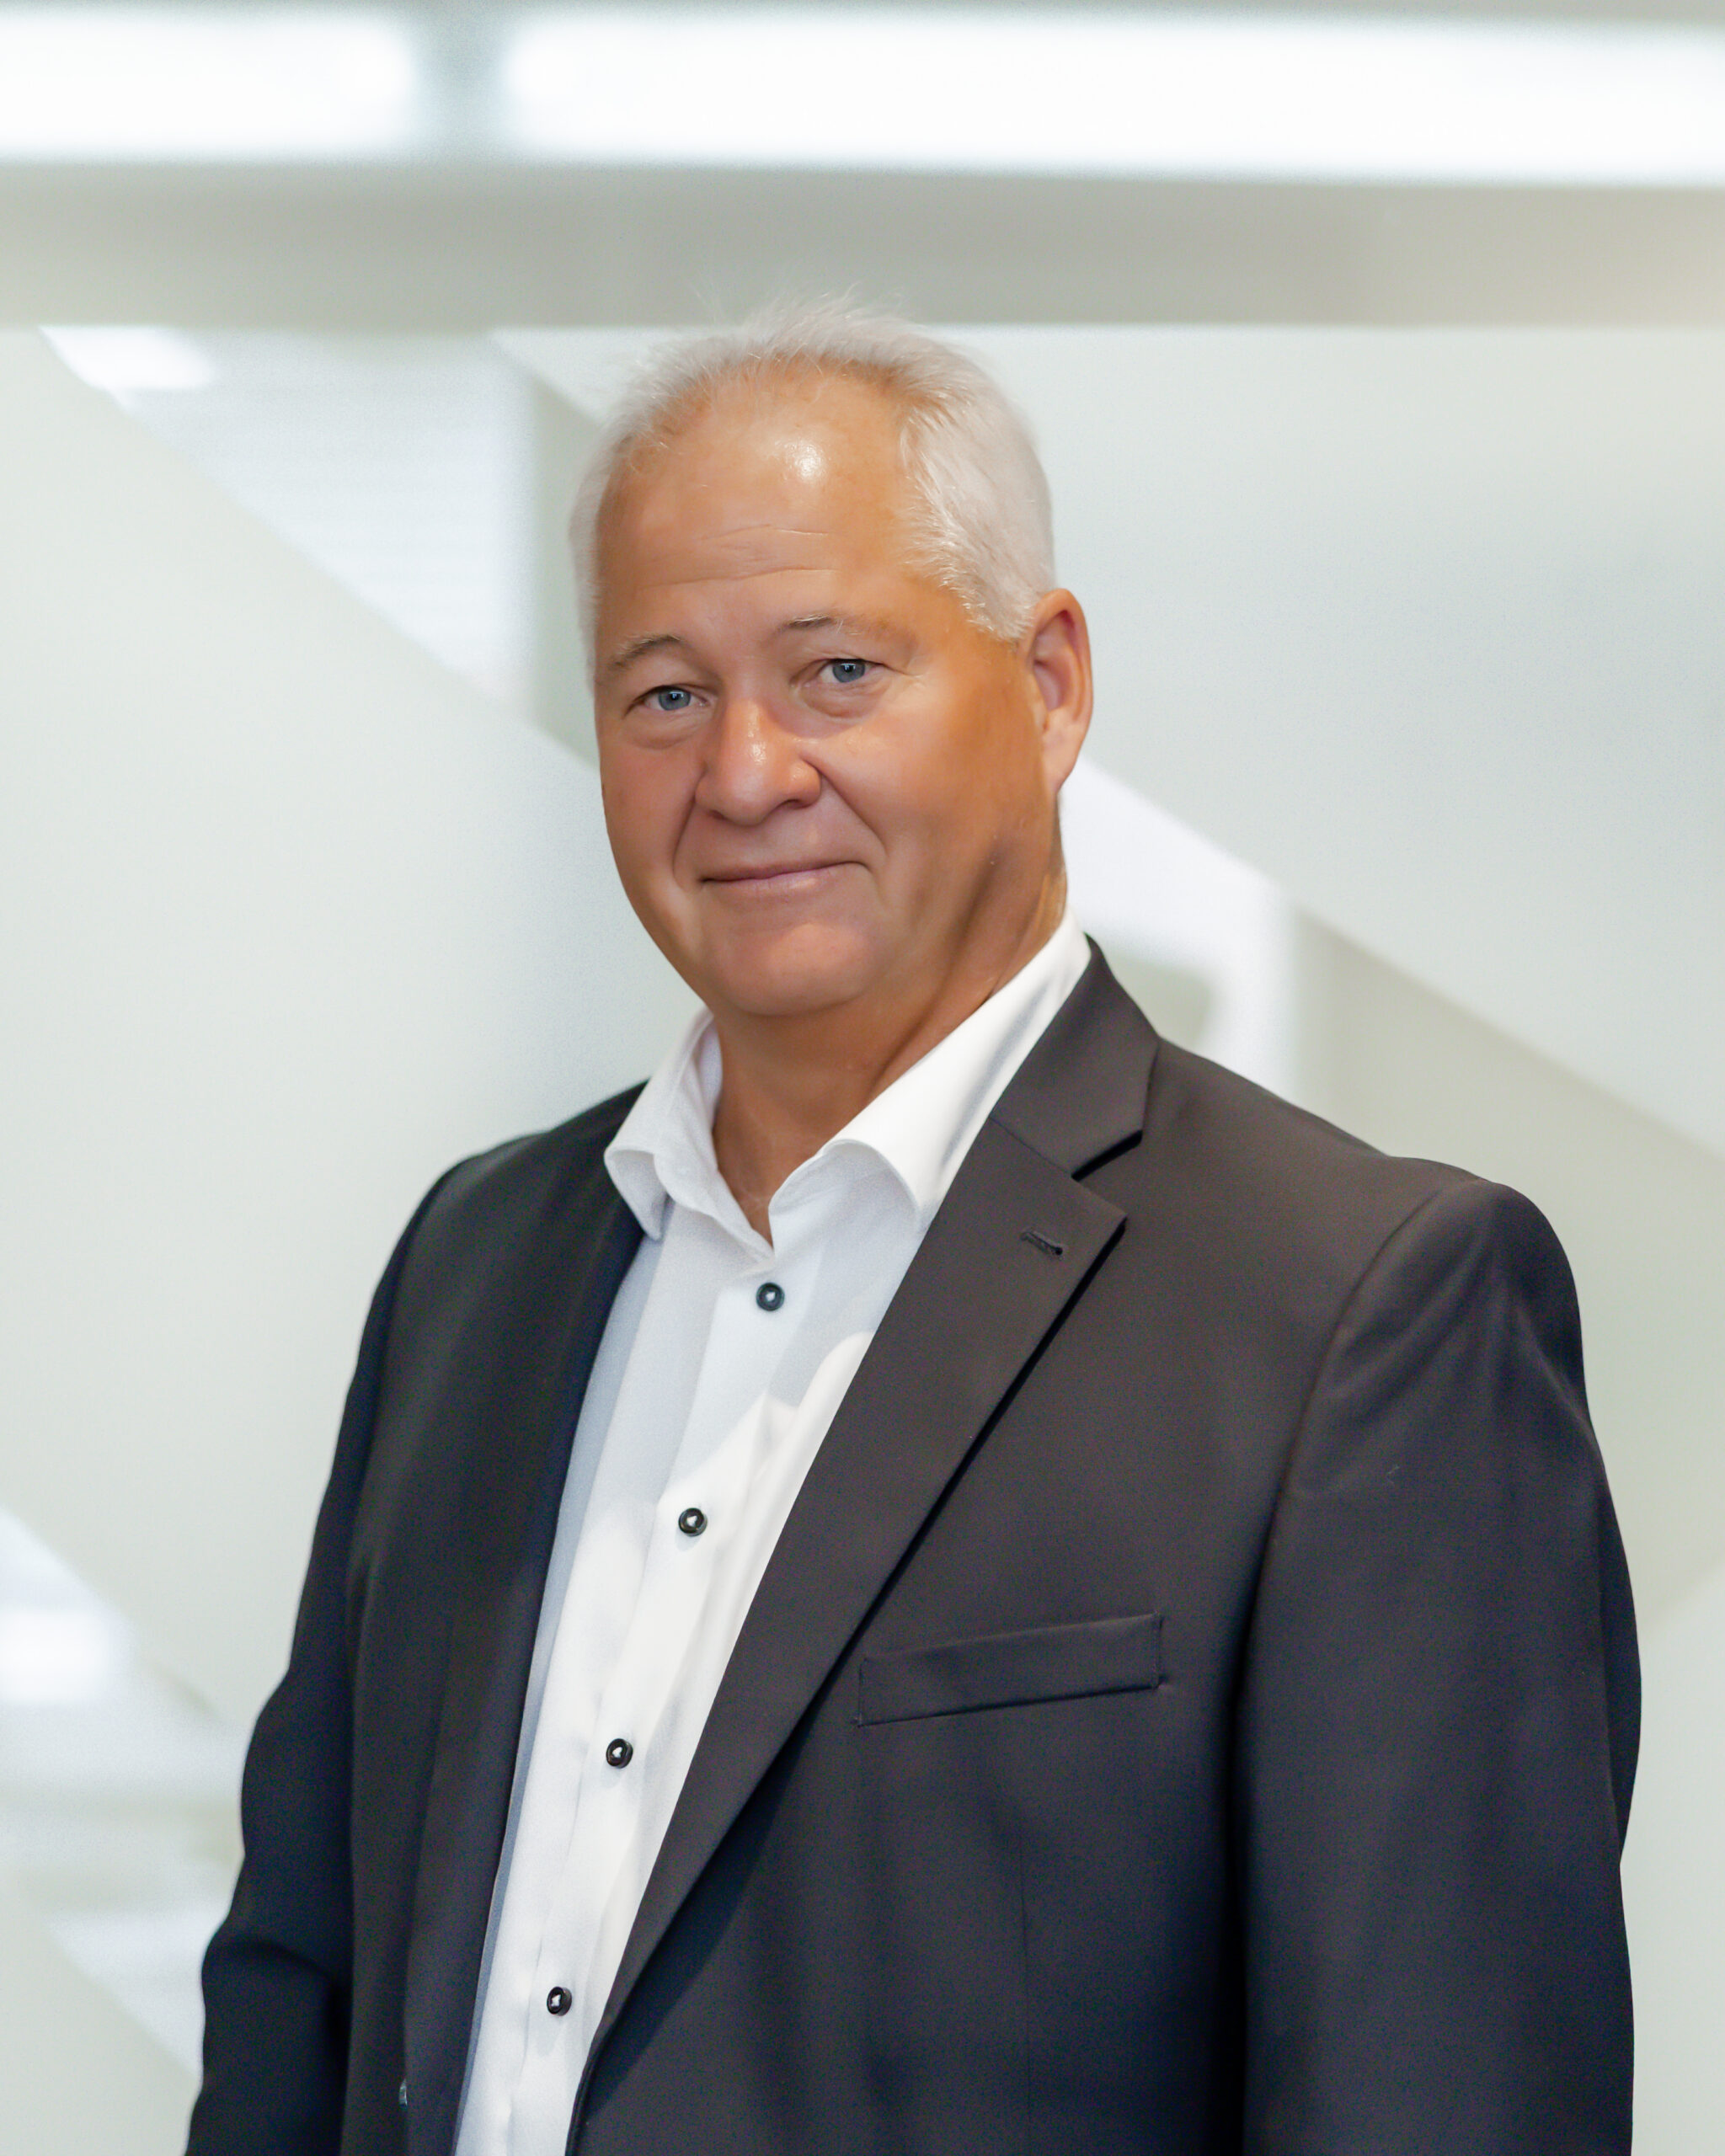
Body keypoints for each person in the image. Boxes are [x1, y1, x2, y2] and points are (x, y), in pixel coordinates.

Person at [187, 307, 1637, 2156]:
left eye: (837, 669)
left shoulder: (1361, 1312)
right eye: (662, 693)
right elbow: (301, 1985)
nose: (746, 772)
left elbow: (1436, 2097)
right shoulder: (480, 1263)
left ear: (1047, 684)